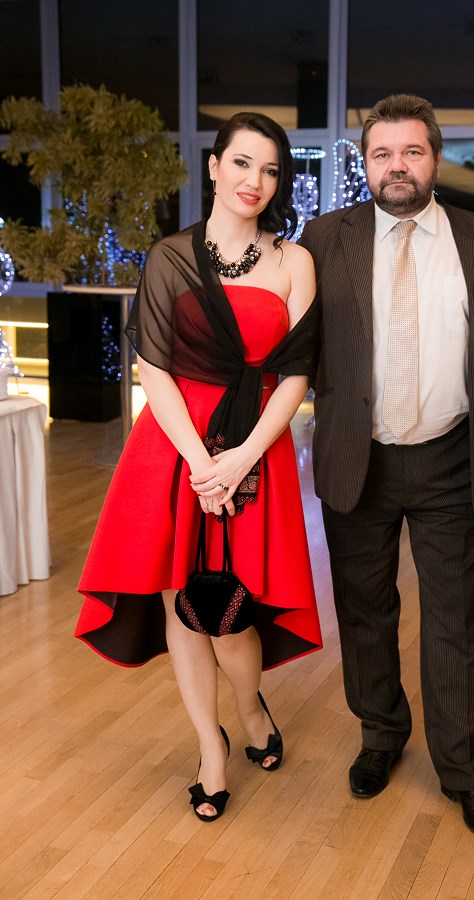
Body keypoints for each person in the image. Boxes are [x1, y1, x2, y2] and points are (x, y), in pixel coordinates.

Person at [76, 111, 322, 823]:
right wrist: (199, 463)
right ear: (214, 167)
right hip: (173, 447)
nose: (255, 181)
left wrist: (241, 457)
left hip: (256, 447)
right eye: (242, 163)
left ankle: (249, 707)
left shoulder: (294, 262)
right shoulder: (169, 257)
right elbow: (153, 368)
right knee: (180, 602)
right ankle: (210, 748)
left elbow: (298, 376)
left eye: (270, 169)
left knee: (230, 614)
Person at [299, 94, 474, 844]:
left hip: (450, 458)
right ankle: (381, 735)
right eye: (382, 154)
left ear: (436, 159)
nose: (397, 166)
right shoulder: (323, 240)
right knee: (364, 608)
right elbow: (303, 347)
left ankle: (466, 772)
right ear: (365, 163)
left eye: (412, 152)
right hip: (357, 457)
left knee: (455, 618)